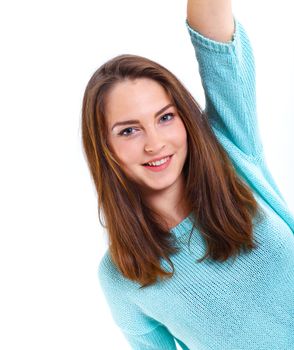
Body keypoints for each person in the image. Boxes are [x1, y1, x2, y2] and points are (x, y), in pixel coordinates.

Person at [81, 1, 294, 349]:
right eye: (128, 131)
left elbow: (214, 32)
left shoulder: (231, 150)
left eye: (165, 117)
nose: (155, 143)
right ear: (104, 149)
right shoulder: (122, 280)